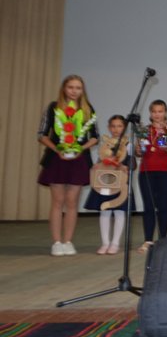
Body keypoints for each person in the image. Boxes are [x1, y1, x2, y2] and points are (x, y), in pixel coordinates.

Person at [37, 75, 99, 256]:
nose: (74, 91)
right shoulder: (53, 107)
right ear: (64, 88)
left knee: (72, 201)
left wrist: (81, 149)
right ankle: (57, 242)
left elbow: (95, 137)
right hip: (57, 158)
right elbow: (42, 134)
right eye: (71, 87)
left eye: (78, 88)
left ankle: (68, 241)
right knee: (58, 201)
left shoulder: (88, 109)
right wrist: (57, 149)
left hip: (78, 159)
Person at [136, 100, 167, 253]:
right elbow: (138, 152)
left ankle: (163, 240)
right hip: (146, 171)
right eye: (154, 111)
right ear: (150, 113)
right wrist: (137, 150)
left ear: (165, 113)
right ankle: (148, 240)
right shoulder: (144, 130)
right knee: (148, 206)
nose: (157, 114)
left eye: (160, 111)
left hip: (166, 172)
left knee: (163, 206)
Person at [84, 115, 132, 254]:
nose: (116, 129)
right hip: (105, 182)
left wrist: (125, 166)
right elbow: (101, 160)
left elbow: (132, 163)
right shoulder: (105, 143)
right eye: (113, 126)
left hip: (120, 183)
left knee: (119, 211)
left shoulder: (128, 144)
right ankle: (105, 243)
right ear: (109, 127)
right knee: (104, 211)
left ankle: (115, 243)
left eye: (119, 126)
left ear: (124, 128)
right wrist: (96, 166)